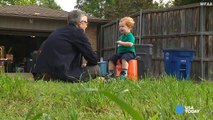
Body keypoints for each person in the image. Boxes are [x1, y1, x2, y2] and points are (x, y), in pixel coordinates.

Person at [32, 9, 100, 82]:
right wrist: (88, 64)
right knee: (96, 69)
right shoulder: (78, 33)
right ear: (80, 23)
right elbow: (93, 59)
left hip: (40, 74)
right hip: (57, 75)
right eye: (86, 23)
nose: (86, 26)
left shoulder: (57, 32)